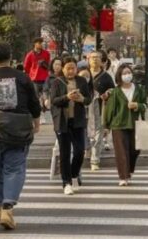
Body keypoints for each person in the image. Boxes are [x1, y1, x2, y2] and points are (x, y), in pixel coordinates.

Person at [0, 43, 41, 230]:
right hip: (18, 130)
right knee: (14, 168)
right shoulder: (22, 78)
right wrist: (36, 124)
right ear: (11, 57)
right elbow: (34, 104)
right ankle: (7, 207)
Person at [50, 57, 92, 195]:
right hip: (62, 121)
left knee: (80, 151)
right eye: (68, 68)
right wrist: (67, 97)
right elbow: (54, 101)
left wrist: (81, 99)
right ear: (63, 69)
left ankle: (74, 175)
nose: (70, 71)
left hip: (78, 121)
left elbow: (88, 99)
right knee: (65, 152)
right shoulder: (57, 82)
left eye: (73, 68)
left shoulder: (81, 81)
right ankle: (66, 182)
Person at [104, 64, 147, 186]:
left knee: (135, 150)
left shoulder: (139, 89)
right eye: (124, 73)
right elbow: (110, 109)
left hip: (136, 123)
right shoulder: (116, 91)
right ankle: (123, 176)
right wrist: (106, 126)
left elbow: (145, 104)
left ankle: (129, 169)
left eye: (129, 72)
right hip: (119, 124)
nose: (127, 75)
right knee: (121, 151)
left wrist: (137, 106)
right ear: (119, 76)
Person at [87, 50, 115, 171]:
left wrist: (107, 94)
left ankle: (95, 160)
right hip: (83, 108)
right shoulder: (84, 73)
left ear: (102, 61)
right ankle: (87, 149)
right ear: (88, 60)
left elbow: (113, 90)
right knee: (85, 132)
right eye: (92, 57)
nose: (94, 59)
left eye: (97, 57)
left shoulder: (106, 76)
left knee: (98, 134)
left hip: (99, 107)